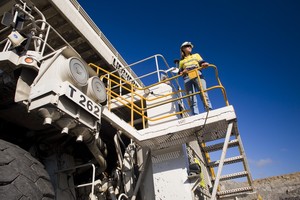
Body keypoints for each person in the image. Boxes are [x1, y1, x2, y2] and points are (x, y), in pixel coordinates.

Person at [178, 41, 212, 115]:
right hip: (187, 77)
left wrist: (204, 64)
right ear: (183, 49)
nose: (190, 47)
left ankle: (208, 110)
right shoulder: (181, 61)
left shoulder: (196, 55)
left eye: (190, 46)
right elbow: (179, 72)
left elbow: (201, 62)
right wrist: (183, 72)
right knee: (191, 97)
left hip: (197, 73)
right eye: (187, 46)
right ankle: (195, 114)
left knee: (203, 92)